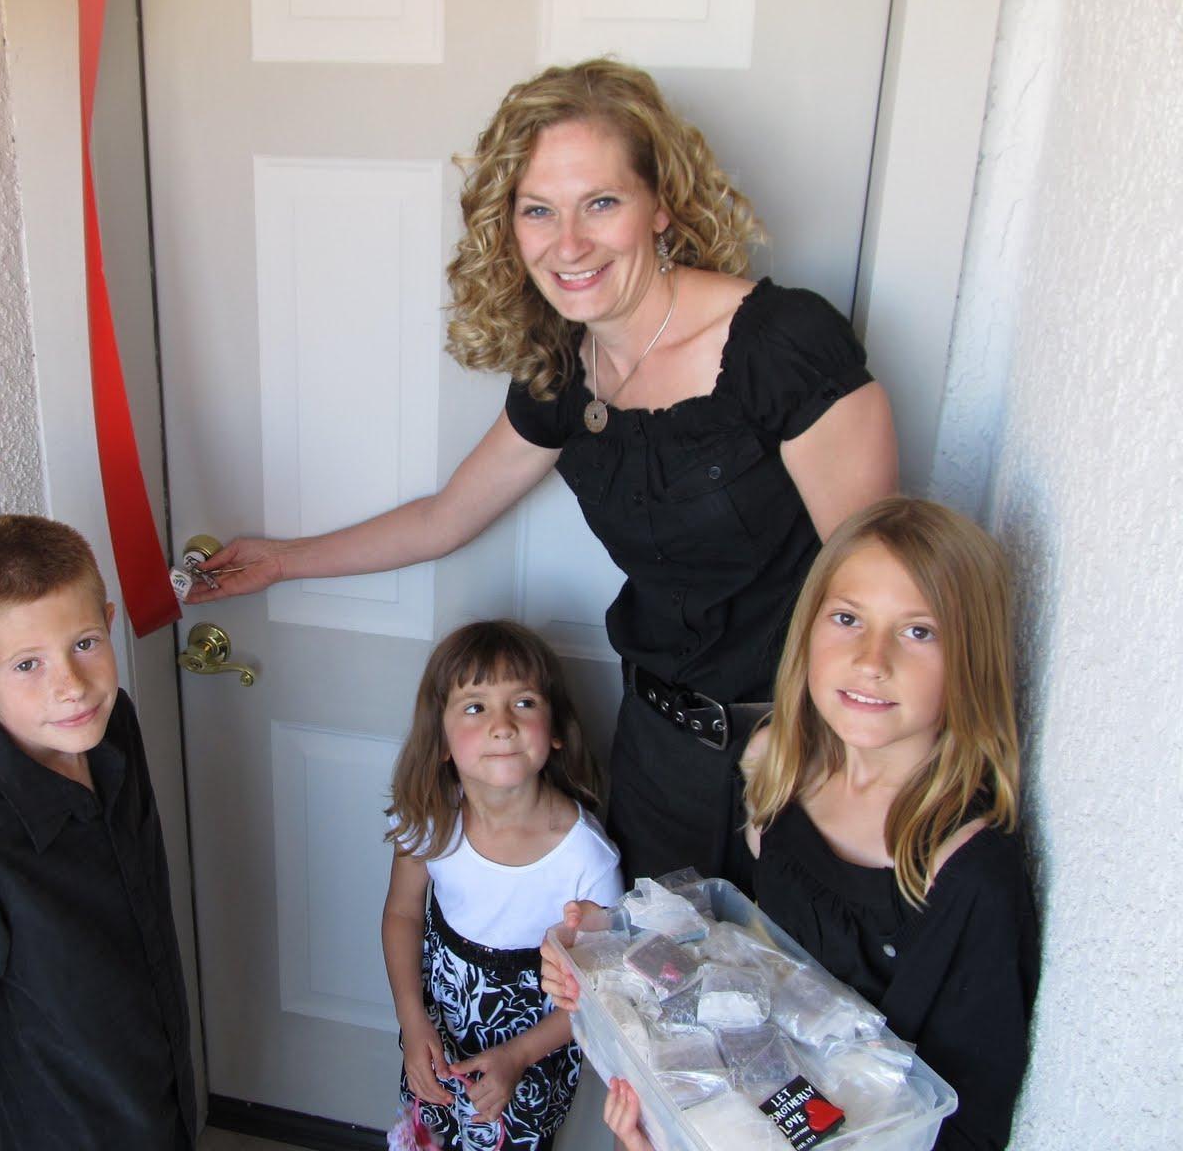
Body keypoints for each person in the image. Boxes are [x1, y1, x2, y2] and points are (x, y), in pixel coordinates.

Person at [190, 59, 898, 884]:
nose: (569, 245)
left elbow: (882, 589)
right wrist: (278, 560)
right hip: (660, 755)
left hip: (803, 758)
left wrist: (826, 746)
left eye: (601, 202)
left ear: (660, 204)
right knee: (644, 1001)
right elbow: (446, 516)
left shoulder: (783, 344)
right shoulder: (564, 367)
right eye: (538, 211)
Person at [545, 498, 1040, 1151]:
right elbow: (741, 958)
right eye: (847, 618)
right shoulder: (780, 766)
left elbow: (960, 1130)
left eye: (919, 631)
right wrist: (619, 947)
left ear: (972, 661)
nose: (872, 658)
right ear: (808, 628)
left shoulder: (972, 877)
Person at [0, 515, 196, 1150]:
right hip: (72, 1130)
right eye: (27, 664)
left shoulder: (113, 728)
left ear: (109, 620)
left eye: (84, 643)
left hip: (157, 1080)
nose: (70, 686)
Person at [383, 621, 623, 1150]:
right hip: (436, 1034)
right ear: (441, 739)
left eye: (524, 703)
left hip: (530, 1058)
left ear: (555, 728)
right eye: (475, 707)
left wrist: (519, 1056)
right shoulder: (431, 820)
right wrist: (412, 1020)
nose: (502, 726)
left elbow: (603, 988)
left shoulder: (587, 857)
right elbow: (402, 914)